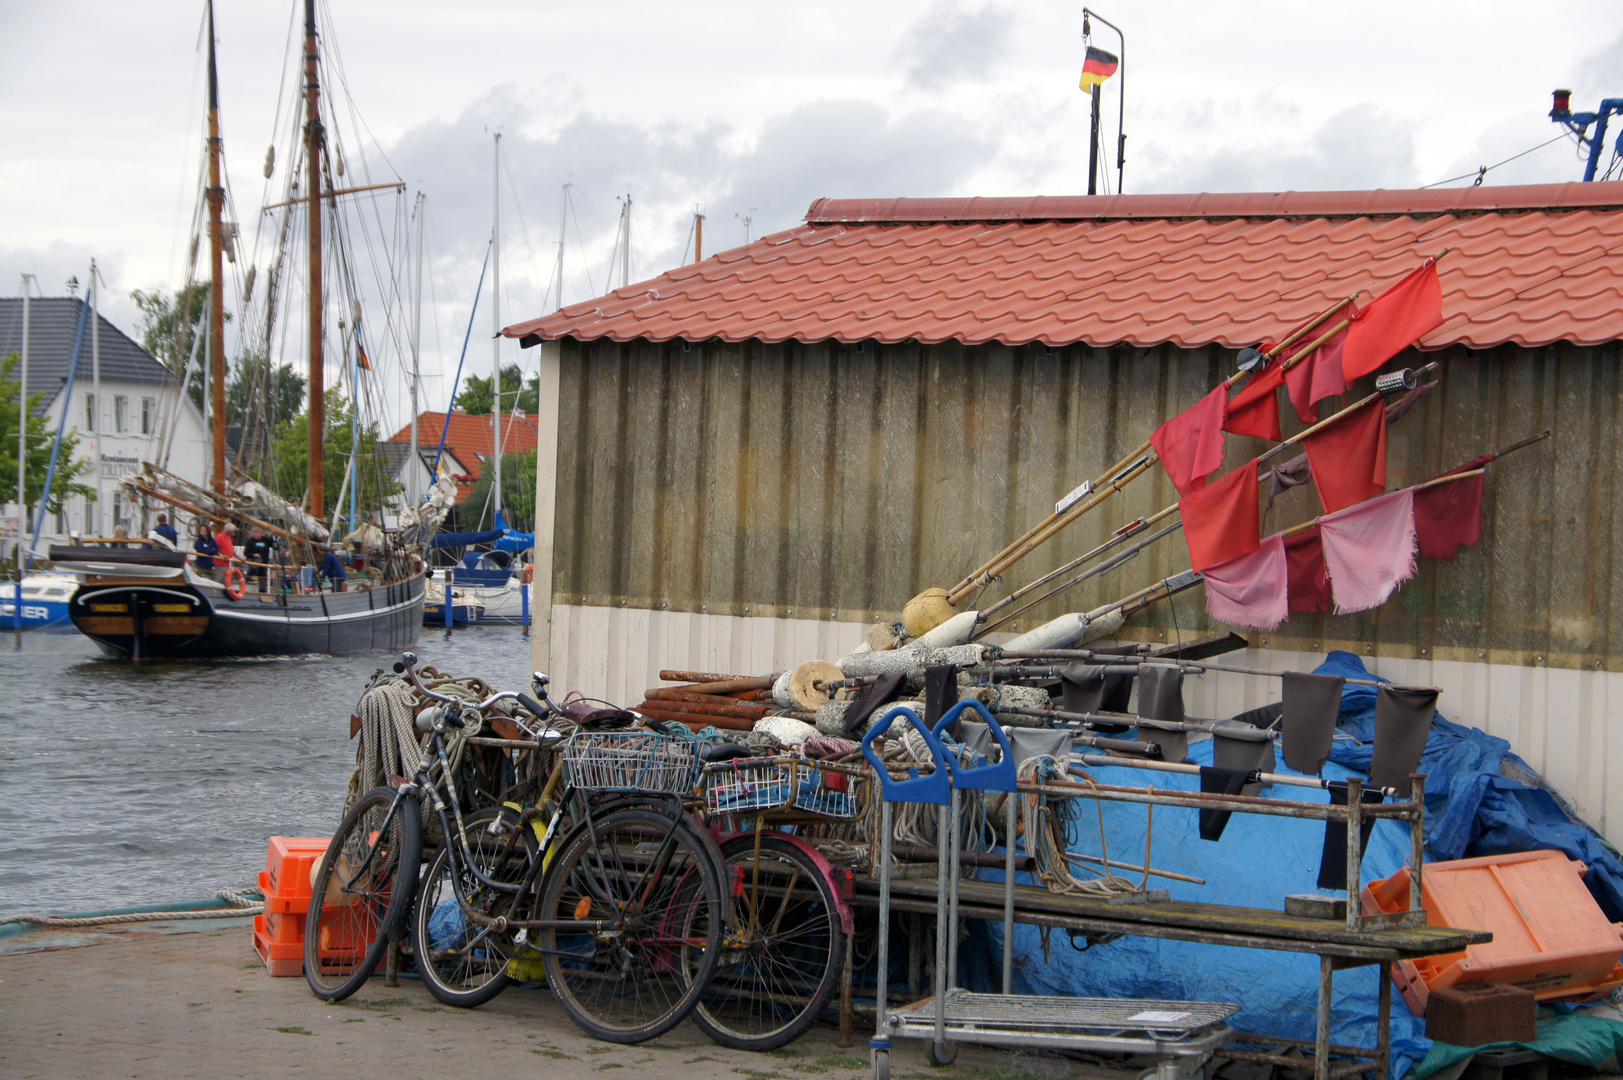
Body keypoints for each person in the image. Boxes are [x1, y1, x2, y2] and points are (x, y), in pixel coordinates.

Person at [244, 528, 274, 592]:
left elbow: (272, 544)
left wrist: (271, 534)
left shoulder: (265, 540)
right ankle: (244, 583)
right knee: (254, 566)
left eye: (258, 533)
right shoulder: (250, 541)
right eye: (255, 533)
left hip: (263, 563)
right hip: (254, 561)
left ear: (261, 534)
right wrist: (253, 555)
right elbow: (246, 553)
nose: (256, 534)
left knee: (263, 576)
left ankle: (262, 591)